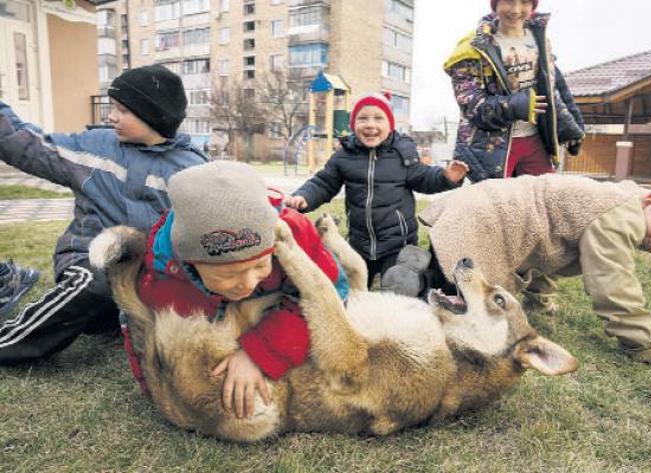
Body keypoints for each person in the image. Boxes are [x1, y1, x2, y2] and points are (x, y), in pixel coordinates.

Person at [0, 65, 208, 364]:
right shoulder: (94, 147)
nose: (111, 116)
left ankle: (120, 321)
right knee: (97, 279)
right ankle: (10, 344)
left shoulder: (191, 171)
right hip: (88, 259)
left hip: (146, 280)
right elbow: (31, 145)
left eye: (122, 109)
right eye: (113, 107)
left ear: (153, 115)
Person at [412, 174, 651, 364]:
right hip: (489, 219)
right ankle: (419, 289)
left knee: (457, 275)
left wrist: (539, 300)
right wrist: (650, 346)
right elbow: (614, 285)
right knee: (471, 305)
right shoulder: (621, 217)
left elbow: (548, 251)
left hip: (486, 205)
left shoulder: (613, 202)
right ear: (649, 201)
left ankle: (420, 272)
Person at [131, 161, 349, 419]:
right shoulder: (164, 275)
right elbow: (141, 326)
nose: (247, 283)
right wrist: (152, 384)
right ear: (191, 262)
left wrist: (258, 354)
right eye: (228, 274)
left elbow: (327, 298)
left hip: (283, 300)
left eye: (260, 264)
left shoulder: (293, 235)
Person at [284, 93, 468, 288]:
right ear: (354, 125)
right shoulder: (344, 156)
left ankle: (415, 280)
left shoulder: (402, 153)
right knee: (347, 287)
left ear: (390, 125)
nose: (370, 125)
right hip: (359, 243)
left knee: (400, 285)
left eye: (378, 118)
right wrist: (303, 196)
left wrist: (447, 178)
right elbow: (323, 183)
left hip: (397, 244)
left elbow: (423, 177)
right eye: (363, 118)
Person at [444, 0, 585, 182]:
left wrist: (574, 127)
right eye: (509, 1)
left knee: (542, 200)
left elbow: (556, 87)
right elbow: (470, 103)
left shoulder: (540, 39)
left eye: (525, 2)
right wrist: (517, 105)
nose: (516, 10)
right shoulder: (473, 47)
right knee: (497, 206)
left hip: (535, 140)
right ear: (495, 4)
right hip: (490, 148)